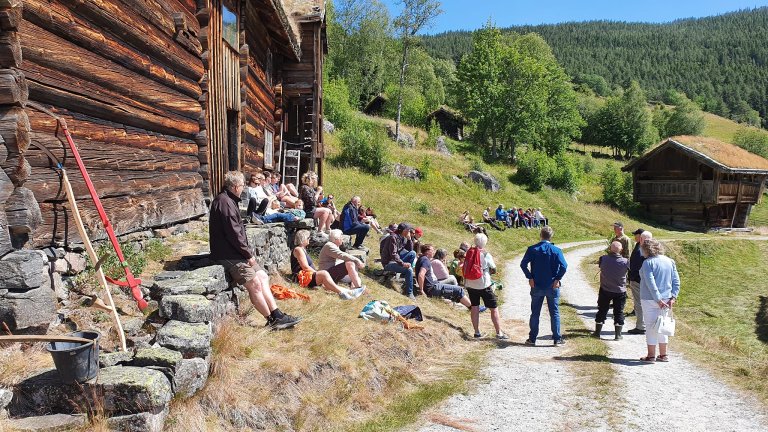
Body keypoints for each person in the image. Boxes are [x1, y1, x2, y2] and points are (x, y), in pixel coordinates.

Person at [209, 171, 300, 330]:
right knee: (255, 283)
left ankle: (277, 313)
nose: (243, 189)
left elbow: (237, 234)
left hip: (236, 252)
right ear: (236, 186)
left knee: (262, 276)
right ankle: (272, 320)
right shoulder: (224, 203)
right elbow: (234, 235)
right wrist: (249, 255)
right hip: (228, 254)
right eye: (242, 186)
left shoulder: (228, 200)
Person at [520, 226, 568, 346]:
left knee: (535, 312)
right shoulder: (556, 250)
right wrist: (557, 279)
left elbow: (523, 264)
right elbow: (564, 266)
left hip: (536, 284)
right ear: (551, 236)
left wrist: (529, 277)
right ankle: (557, 339)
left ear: (540, 235)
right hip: (552, 285)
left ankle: (532, 339)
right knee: (554, 312)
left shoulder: (532, 249)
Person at [639, 239, 680, 363]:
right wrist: (673, 297)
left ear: (646, 249)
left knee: (651, 326)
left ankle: (651, 356)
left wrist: (658, 299)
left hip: (650, 299)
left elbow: (651, 283)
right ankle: (663, 354)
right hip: (667, 299)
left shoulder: (647, 263)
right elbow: (676, 281)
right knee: (663, 325)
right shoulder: (670, 261)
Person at [291, 230, 365, 300]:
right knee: (324, 273)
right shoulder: (298, 249)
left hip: (308, 276)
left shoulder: (302, 249)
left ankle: (351, 292)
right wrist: (317, 273)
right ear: (303, 239)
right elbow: (305, 267)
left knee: (327, 276)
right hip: (301, 277)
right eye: (308, 237)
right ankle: (343, 293)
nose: (309, 239)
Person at [464, 233, 508, 339]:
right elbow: (494, 268)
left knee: (474, 307)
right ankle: (499, 333)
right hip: (483, 284)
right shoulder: (485, 254)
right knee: (494, 308)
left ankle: (477, 332)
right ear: (484, 243)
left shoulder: (469, 252)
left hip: (470, 284)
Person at [415, 244, 475, 310]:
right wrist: (421, 290)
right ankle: (473, 308)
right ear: (427, 251)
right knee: (459, 290)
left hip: (433, 285)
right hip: (432, 288)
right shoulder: (425, 260)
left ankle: (465, 304)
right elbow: (421, 274)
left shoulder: (422, 259)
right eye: (432, 250)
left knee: (455, 289)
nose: (434, 251)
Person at [593, 241, 630, 340]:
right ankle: (618, 335)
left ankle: (597, 332)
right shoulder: (626, 261)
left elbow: (601, 267)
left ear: (610, 249)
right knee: (619, 312)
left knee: (602, 310)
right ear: (621, 250)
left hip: (605, 289)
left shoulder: (603, 259)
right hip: (620, 290)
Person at [380, 223, 416, 300]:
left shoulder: (402, 237)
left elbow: (410, 250)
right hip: (389, 262)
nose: (409, 231)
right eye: (408, 230)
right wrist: (403, 264)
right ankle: (409, 293)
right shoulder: (393, 238)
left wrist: (409, 239)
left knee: (413, 253)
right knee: (409, 269)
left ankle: (404, 275)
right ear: (403, 231)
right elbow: (393, 255)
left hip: (396, 260)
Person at [627, 229, 652, 334]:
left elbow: (636, 266)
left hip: (638, 280)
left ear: (641, 238)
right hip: (644, 281)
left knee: (639, 303)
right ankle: (647, 325)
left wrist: (632, 278)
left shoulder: (641, 249)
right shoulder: (651, 248)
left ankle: (641, 326)